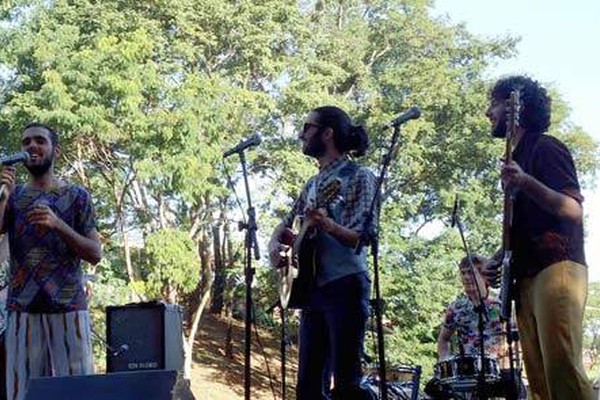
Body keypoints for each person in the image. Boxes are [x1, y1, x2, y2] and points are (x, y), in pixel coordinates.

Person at [481, 75, 593, 400]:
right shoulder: (516, 159)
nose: (488, 112)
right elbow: (521, 228)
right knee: (540, 380)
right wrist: (497, 257)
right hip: (526, 276)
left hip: (557, 267)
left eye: (494, 103)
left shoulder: (546, 147)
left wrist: (526, 182)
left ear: (517, 107)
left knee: (563, 371)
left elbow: (572, 209)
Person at [268, 106, 377, 400]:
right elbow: (286, 224)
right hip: (312, 289)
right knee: (307, 387)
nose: (302, 134)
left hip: (345, 286)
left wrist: (328, 225)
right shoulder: (312, 184)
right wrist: (275, 246)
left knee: (346, 384)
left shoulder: (359, 176)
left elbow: (363, 238)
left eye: (307, 127)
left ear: (327, 133)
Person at [0, 123, 102, 400]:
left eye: (39, 141)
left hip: (69, 308)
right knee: (21, 394)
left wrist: (59, 225)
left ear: (54, 150)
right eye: (26, 142)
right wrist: (3, 196)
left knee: (78, 393)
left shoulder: (77, 196)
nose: (31, 146)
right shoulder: (14, 196)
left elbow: (95, 253)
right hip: (22, 310)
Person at [437, 255, 505, 364]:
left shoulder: (502, 305)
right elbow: (443, 339)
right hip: (468, 372)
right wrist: (445, 360)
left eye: (471, 272)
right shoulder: (455, 308)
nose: (466, 277)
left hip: (500, 370)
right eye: (463, 273)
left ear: (485, 276)